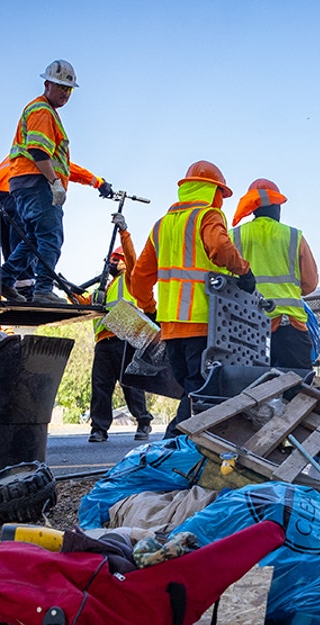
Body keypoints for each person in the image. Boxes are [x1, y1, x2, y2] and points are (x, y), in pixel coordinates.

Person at [128, 160, 252, 436]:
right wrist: (243, 270)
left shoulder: (162, 225)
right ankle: (175, 439)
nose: (222, 201)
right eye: (221, 193)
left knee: (190, 385)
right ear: (212, 191)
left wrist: (149, 307)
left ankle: (186, 442)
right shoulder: (207, 216)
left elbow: (139, 276)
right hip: (202, 321)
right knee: (200, 386)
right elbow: (220, 247)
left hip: (171, 327)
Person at [0, 60, 113, 304]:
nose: (65, 93)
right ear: (47, 84)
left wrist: (94, 181)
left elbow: (59, 162)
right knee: (51, 237)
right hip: (37, 183)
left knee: (31, 240)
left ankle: (5, 279)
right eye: (61, 87)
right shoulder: (42, 111)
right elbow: (39, 151)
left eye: (69, 89)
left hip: (23, 184)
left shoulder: (42, 111)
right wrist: (54, 182)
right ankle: (43, 290)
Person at [0, 156, 111, 302]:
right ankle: (31, 291)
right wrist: (98, 183)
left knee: (17, 242)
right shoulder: (43, 146)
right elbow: (65, 166)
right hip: (25, 188)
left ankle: (6, 281)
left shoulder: (16, 155)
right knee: (40, 237)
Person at [229, 179, 320, 370]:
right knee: (298, 389)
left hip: (246, 328)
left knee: (249, 390)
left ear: (253, 208)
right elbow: (310, 284)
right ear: (277, 207)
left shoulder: (234, 237)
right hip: (290, 327)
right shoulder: (293, 236)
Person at [87, 211, 154, 443]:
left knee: (131, 384)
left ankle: (143, 421)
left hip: (126, 337)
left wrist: (124, 232)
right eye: (111, 260)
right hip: (103, 342)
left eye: (116, 259)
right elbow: (80, 303)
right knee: (101, 386)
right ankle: (99, 428)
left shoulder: (130, 278)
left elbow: (132, 257)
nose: (112, 263)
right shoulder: (105, 288)